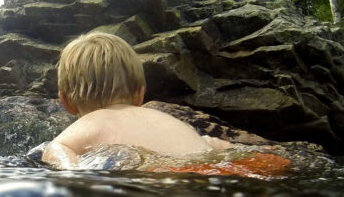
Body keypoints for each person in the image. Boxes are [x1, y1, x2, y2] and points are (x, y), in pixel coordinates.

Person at [42, 32, 234, 169]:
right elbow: (215, 144)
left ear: (66, 101)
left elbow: (58, 155)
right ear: (140, 94)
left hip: (154, 178)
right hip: (210, 167)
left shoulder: (84, 129)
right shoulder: (170, 122)